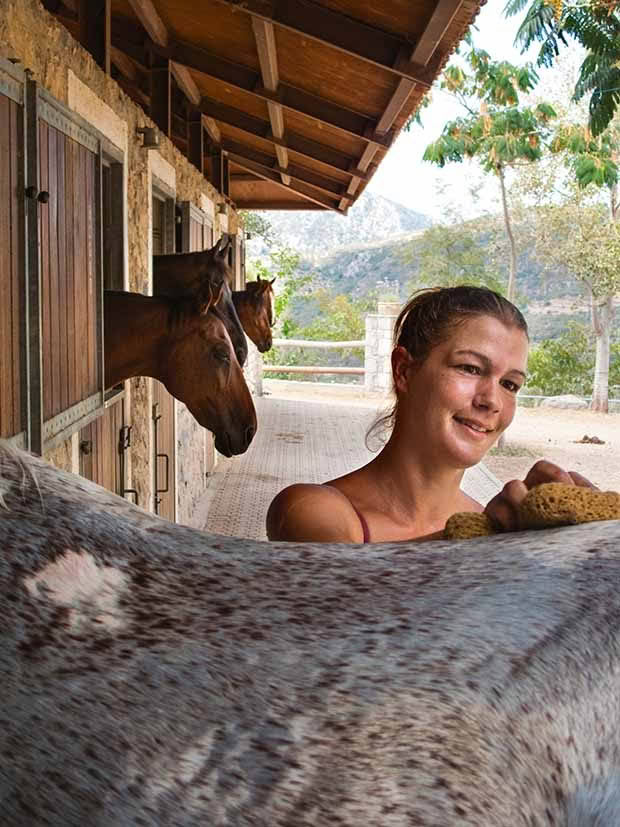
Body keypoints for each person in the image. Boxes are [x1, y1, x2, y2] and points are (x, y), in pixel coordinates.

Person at [266, 285, 594, 543]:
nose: (492, 400)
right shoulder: (313, 510)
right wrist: (488, 538)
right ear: (404, 370)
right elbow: (362, 600)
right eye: (470, 368)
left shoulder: (495, 527)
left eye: (510, 384)